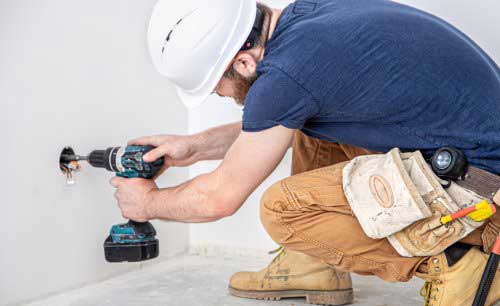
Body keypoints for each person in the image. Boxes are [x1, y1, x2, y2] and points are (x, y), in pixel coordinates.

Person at [110, 0, 500, 305]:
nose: (221, 96)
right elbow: (273, 121)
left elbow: (219, 198)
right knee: (313, 130)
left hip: (482, 194)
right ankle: (313, 266)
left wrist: (147, 205)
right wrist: (194, 147)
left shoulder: (286, 76)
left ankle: (458, 267)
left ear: (244, 62)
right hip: (476, 163)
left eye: (218, 87)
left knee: (283, 210)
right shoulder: (310, 20)